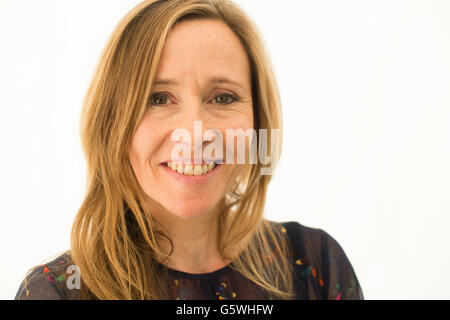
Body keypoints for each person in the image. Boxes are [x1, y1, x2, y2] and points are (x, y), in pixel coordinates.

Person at [15, 0, 363, 300]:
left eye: (224, 97)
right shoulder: (59, 291)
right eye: (158, 99)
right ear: (113, 124)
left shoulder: (316, 264)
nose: (195, 134)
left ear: (257, 120)